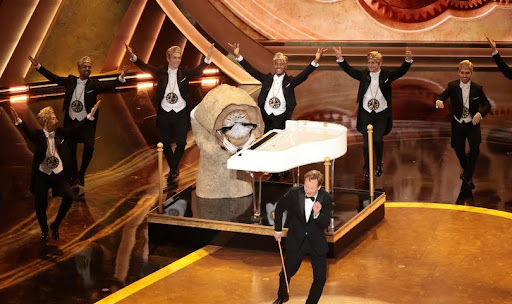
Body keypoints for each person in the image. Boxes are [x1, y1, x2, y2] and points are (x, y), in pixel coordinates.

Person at [227, 43, 326, 180]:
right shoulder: (267, 79)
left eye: (281, 63)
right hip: (266, 116)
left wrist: (315, 61)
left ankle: (282, 168)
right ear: (274, 65)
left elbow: (304, 75)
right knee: (267, 142)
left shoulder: (290, 81)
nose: (279, 66)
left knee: (280, 144)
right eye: (276, 63)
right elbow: (252, 70)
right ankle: (271, 168)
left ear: (285, 66)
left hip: (281, 117)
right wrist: (238, 56)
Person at [28, 55, 127, 187]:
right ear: (79, 69)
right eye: (85, 67)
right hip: (71, 122)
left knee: (90, 146)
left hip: (86, 123)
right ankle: (74, 175)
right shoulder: (70, 81)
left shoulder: (94, 84)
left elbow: (109, 86)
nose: (87, 69)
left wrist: (120, 78)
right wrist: (38, 66)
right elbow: (54, 78)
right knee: (70, 150)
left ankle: (81, 174)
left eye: (89, 67)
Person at [125, 42, 214, 188]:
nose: (178, 60)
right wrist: (133, 57)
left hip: (180, 112)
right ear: (168, 58)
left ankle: (173, 169)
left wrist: (207, 58)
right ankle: (174, 169)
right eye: (175, 58)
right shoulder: (160, 72)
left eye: (179, 58)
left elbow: (198, 71)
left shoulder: (184, 73)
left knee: (181, 143)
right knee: (165, 144)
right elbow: (145, 67)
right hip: (165, 113)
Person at [7, 103, 100, 242]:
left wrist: (89, 116)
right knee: (40, 205)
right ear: (46, 120)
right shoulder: (38, 136)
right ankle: (44, 230)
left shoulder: (60, 132)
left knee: (69, 197)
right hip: (43, 175)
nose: (56, 120)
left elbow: (75, 129)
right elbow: (27, 132)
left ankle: (55, 225)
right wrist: (17, 120)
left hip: (58, 174)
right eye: (53, 118)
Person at [334, 47, 413, 179]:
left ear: (380, 64)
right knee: (366, 144)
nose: (371, 65)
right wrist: (340, 58)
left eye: (374, 63)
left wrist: (408, 61)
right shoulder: (363, 75)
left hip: (381, 113)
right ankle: (367, 166)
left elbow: (400, 72)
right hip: (366, 112)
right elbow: (349, 71)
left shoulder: (387, 76)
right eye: (369, 62)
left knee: (377, 139)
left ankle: (379, 163)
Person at [267, 170, 333, 304]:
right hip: (296, 240)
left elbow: (324, 224)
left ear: (319, 187)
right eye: (306, 186)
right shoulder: (294, 193)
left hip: (316, 243)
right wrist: (277, 230)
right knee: (285, 273)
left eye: (311, 188)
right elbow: (280, 208)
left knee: (320, 279)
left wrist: (317, 214)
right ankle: (282, 297)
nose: (307, 190)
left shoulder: (327, 198)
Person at [435, 60, 491, 193]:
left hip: (472, 124)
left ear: (471, 73)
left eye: (467, 73)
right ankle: (467, 172)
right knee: (459, 150)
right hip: (458, 123)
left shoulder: (477, 88)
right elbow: (441, 96)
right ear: (458, 72)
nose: (465, 76)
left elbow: (487, 105)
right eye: (462, 73)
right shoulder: (452, 86)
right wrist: (438, 101)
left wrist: (480, 114)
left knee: (474, 150)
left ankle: (467, 177)